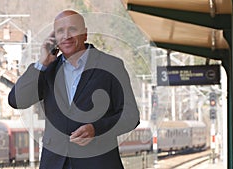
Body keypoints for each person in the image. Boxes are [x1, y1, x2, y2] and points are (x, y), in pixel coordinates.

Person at [8, 10, 140, 169]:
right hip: (54, 164)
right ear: (54, 38)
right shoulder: (46, 70)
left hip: (99, 163)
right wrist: (41, 63)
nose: (66, 35)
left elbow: (131, 116)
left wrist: (96, 129)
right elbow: (16, 101)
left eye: (72, 29)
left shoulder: (111, 66)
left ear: (85, 34)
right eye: (60, 31)